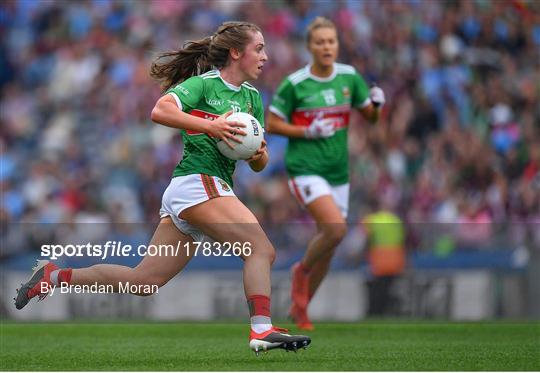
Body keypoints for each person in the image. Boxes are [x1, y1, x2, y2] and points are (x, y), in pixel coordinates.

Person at [15, 21, 310, 355]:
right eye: (259, 49)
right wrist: (211, 126)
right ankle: (261, 330)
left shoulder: (252, 98)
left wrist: (258, 155)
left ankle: (52, 277)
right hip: (196, 183)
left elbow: (260, 161)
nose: (266, 56)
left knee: (144, 282)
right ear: (236, 52)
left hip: (205, 189)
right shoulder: (203, 85)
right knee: (260, 249)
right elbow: (160, 110)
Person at [267, 17, 385, 330]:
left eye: (331, 41)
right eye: (320, 42)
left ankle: (300, 307)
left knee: (330, 247)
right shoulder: (295, 84)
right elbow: (272, 124)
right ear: (310, 47)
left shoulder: (349, 77)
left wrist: (377, 105)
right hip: (305, 169)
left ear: (337, 44)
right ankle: (300, 271)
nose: (326, 47)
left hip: (338, 172)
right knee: (335, 230)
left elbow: (370, 118)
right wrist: (307, 130)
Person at [361, 200, 406, 316]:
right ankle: (385, 313)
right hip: (396, 263)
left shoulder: (371, 220)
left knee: (376, 291)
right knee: (387, 290)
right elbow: (403, 242)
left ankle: (374, 314)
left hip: (379, 263)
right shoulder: (396, 220)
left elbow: (365, 241)